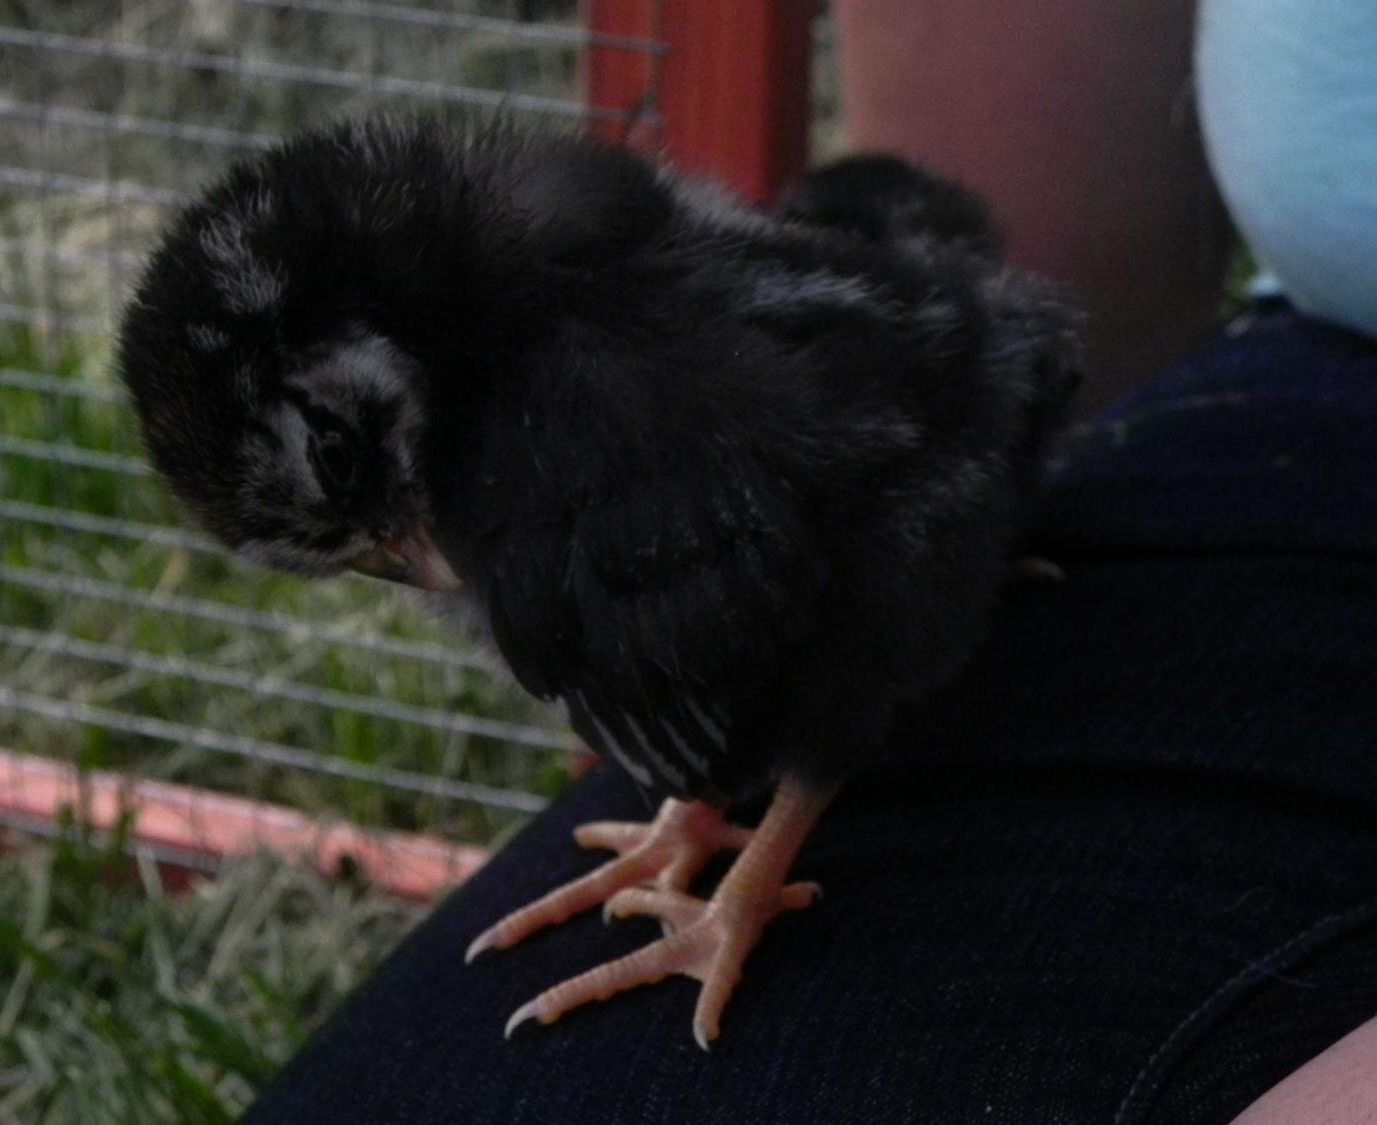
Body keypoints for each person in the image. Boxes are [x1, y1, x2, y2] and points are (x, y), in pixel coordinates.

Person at [241, 3, 1377, 1121]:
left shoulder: (563, 426)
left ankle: (741, 867)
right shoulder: (541, 406)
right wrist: (1001, 475)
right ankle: (711, 816)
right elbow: (922, 359)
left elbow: (839, 624)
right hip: (1320, 381)